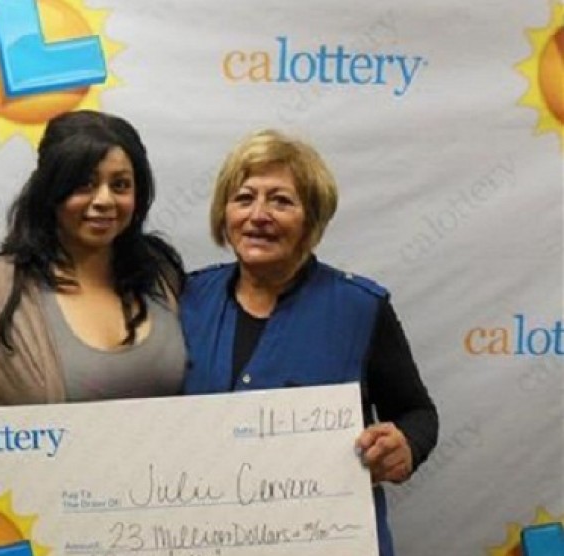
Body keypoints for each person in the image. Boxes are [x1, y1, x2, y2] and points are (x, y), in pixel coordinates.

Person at [0, 110, 186, 526]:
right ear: (50, 190)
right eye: (84, 184)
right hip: (49, 528)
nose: (104, 200)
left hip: (160, 527)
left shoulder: (162, 274)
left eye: (120, 185)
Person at [180, 129, 438, 556]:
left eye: (281, 201)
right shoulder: (185, 300)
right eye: (244, 198)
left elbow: (417, 412)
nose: (258, 215)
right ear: (223, 213)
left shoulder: (360, 307)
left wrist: (405, 445)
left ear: (311, 219)